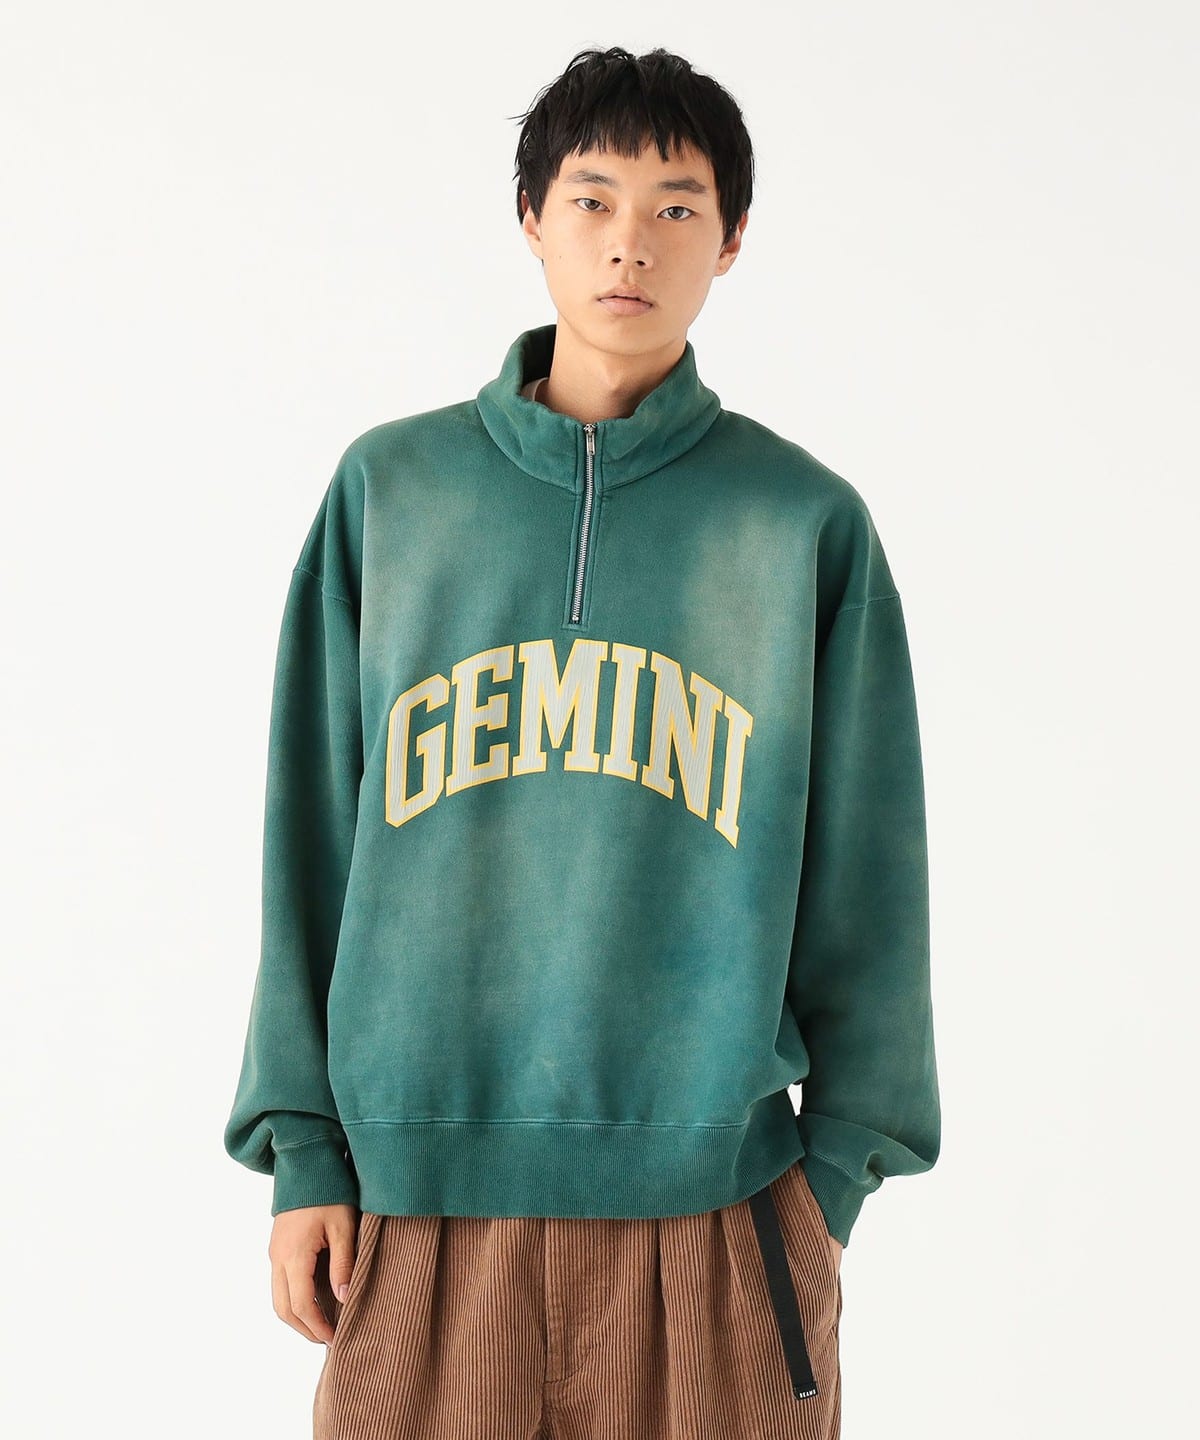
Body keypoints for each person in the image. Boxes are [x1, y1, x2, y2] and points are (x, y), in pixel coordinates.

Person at [223, 43, 940, 1440]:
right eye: (592, 200)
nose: (630, 244)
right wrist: (303, 1149)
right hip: (412, 1208)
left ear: (733, 239)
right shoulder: (394, 492)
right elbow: (309, 833)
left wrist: (832, 1180)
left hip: (721, 1208)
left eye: (677, 207)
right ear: (531, 220)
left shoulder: (798, 522)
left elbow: (870, 871)